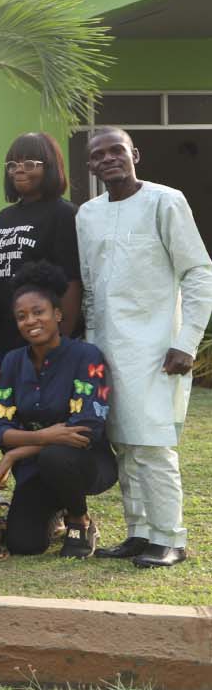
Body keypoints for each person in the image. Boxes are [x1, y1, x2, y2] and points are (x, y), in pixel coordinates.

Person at [78, 127, 212, 569]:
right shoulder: (88, 214)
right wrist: (92, 349)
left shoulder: (165, 201)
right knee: (123, 444)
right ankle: (139, 533)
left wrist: (185, 341)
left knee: (153, 445)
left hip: (159, 348)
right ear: (91, 166)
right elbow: (92, 289)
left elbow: (198, 271)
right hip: (107, 349)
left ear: (134, 153)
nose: (110, 158)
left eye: (118, 150)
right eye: (99, 154)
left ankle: (171, 537)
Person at [0, 263, 115, 558]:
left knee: (55, 455)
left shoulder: (87, 356)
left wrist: (16, 452)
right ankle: (53, 512)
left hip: (86, 463)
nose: (30, 320)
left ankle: (79, 520)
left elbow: (86, 428)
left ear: (57, 314)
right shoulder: (11, 362)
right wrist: (46, 435)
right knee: (23, 545)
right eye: (21, 316)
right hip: (36, 472)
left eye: (38, 312)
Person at [0, 132, 81, 374]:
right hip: (2, 333)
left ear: (49, 167)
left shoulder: (64, 214)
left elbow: (72, 280)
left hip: (42, 334)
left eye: (30, 164)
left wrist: (61, 341)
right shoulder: (4, 216)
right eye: (13, 164)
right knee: (5, 408)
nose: (19, 170)